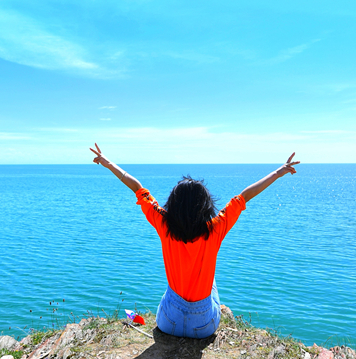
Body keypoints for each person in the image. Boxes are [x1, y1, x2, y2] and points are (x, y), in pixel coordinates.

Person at [89, 143, 299, 339]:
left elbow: (137, 187)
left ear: (173, 202)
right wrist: (278, 172)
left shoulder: (163, 224)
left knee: (171, 290)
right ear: (205, 205)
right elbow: (244, 196)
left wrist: (108, 163)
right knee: (211, 282)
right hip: (204, 327)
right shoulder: (216, 228)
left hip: (168, 323)